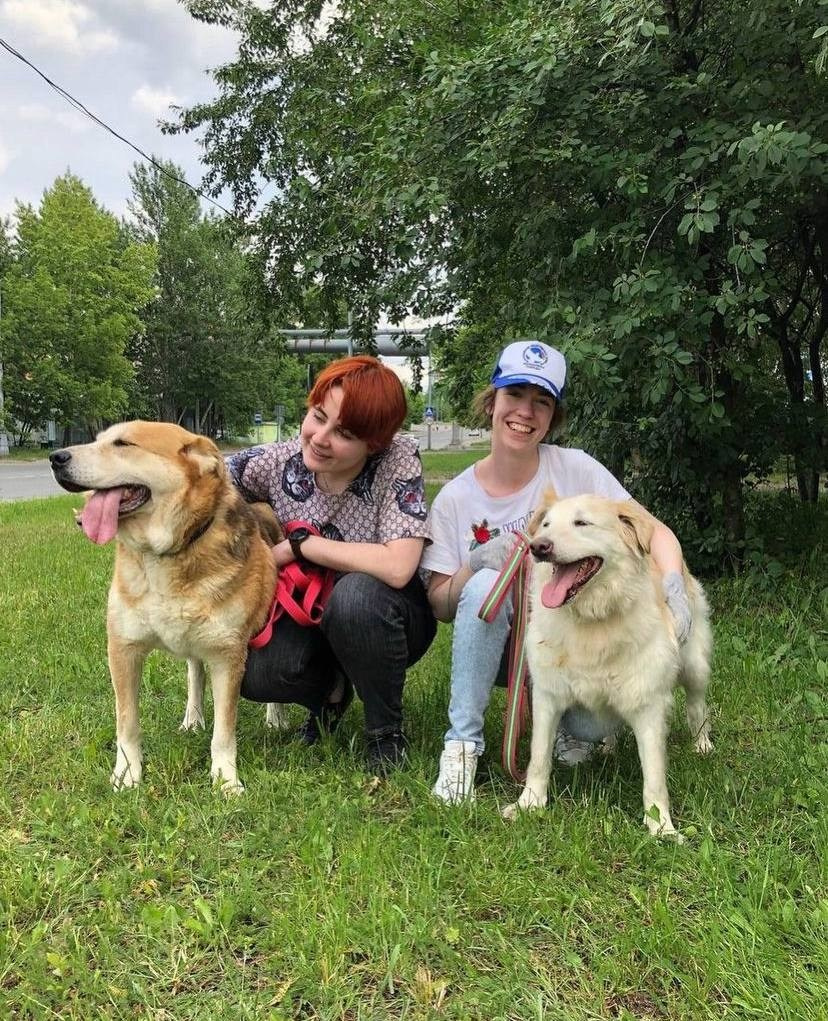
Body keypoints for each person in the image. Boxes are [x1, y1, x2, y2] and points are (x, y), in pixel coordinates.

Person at [421, 340, 692, 802]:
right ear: (492, 401)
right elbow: (441, 606)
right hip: (498, 646)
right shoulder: (455, 499)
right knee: (486, 583)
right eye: (514, 395)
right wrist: (473, 566)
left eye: (541, 401)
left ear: (553, 416)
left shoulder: (576, 469)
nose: (525, 412)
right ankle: (462, 746)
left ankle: (576, 728)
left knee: (593, 719)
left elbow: (654, 531)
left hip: (573, 646)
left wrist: (673, 586)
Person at [227, 355, 436, 772]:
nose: (319, 437)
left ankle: (384, 732)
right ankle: (331, 694)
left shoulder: (398, 458)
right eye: (318, 416)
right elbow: (196, 480)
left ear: (373, 443)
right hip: (309, 611)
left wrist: (300, 547)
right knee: (254, 672)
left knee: (355, 596)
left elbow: (399, 566)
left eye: (342, 432)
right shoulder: (276, 460)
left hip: (387, 616)